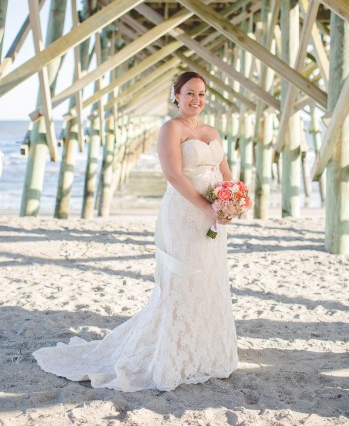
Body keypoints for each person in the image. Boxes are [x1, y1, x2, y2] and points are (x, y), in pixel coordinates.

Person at [33, 71, 239, 391]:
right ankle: (173, 352)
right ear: (176, 96)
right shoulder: (170, 128)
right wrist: (205, 206)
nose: (195, 99)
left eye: (201, 94)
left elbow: (225, 172)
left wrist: (232, 200)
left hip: (213, 213)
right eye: (189, 94)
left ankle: (204, 350)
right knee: (182, 278)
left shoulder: (211, 130)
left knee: (209, 277)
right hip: (186, 212)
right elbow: (172, 174)